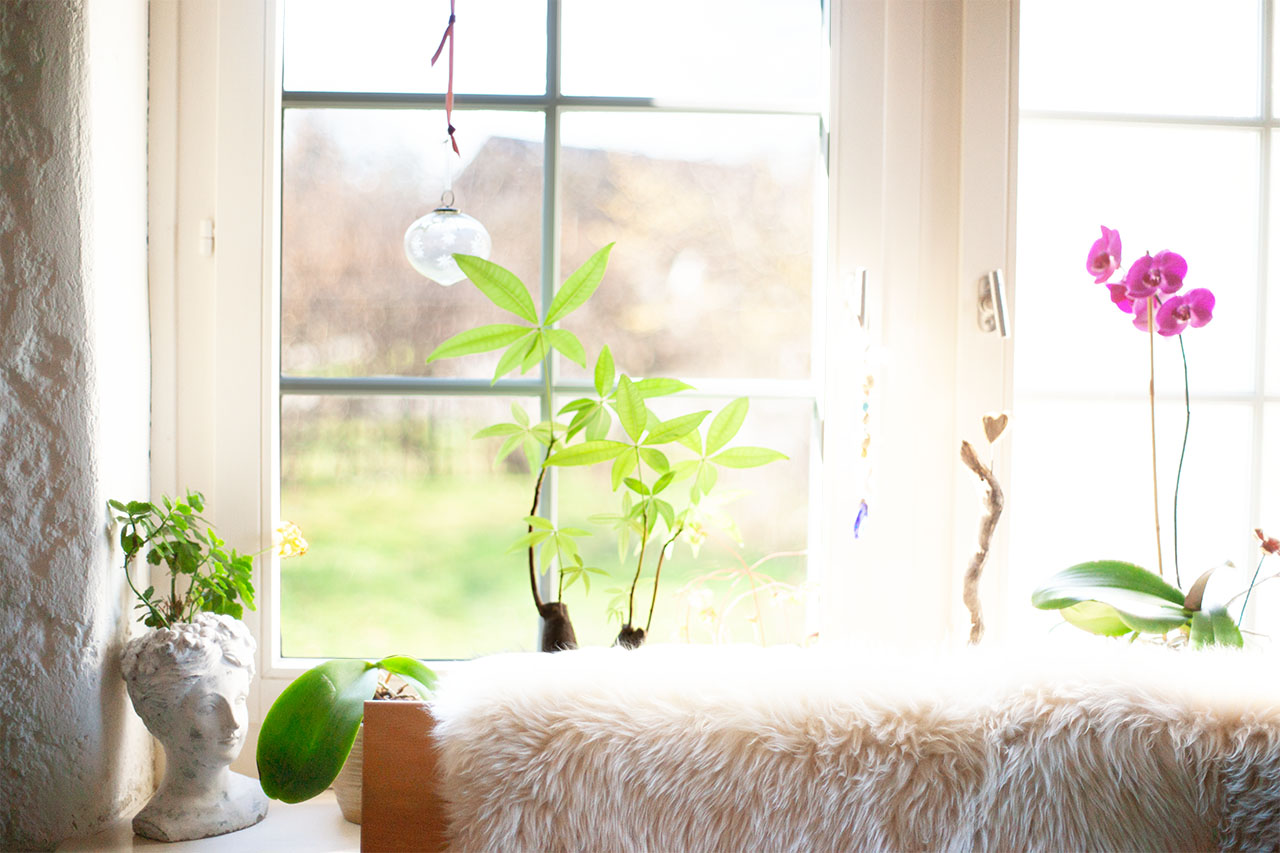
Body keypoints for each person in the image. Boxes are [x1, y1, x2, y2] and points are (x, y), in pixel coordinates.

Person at [121, 613, 268, 841]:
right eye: (209, 708)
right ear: (159, 719)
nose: (234, 722)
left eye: (240, 700)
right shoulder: (162, 821)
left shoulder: (255, 794)